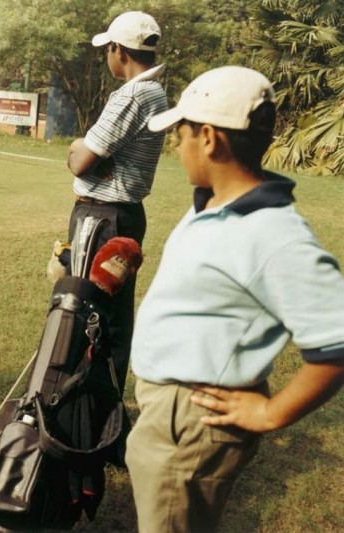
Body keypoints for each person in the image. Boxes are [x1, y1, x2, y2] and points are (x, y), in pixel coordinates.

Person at [124, 65, 344, 532]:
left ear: (208, 138)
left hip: (193, 422)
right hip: (169, 410)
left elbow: (337, 343)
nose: (176, 148)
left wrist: (270, 411)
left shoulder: (274, 234)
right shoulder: (213, 199)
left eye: (179, 136)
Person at [65, 11, 168, 452]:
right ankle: (104, 422)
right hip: (124, 216)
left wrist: (76, 149)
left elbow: (81, 159)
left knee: (85, 315)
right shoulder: (157, 93)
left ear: (118, 51)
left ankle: (82, 422)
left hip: (103, 217)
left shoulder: (131, 97)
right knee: (111, 320)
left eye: (108, 49)